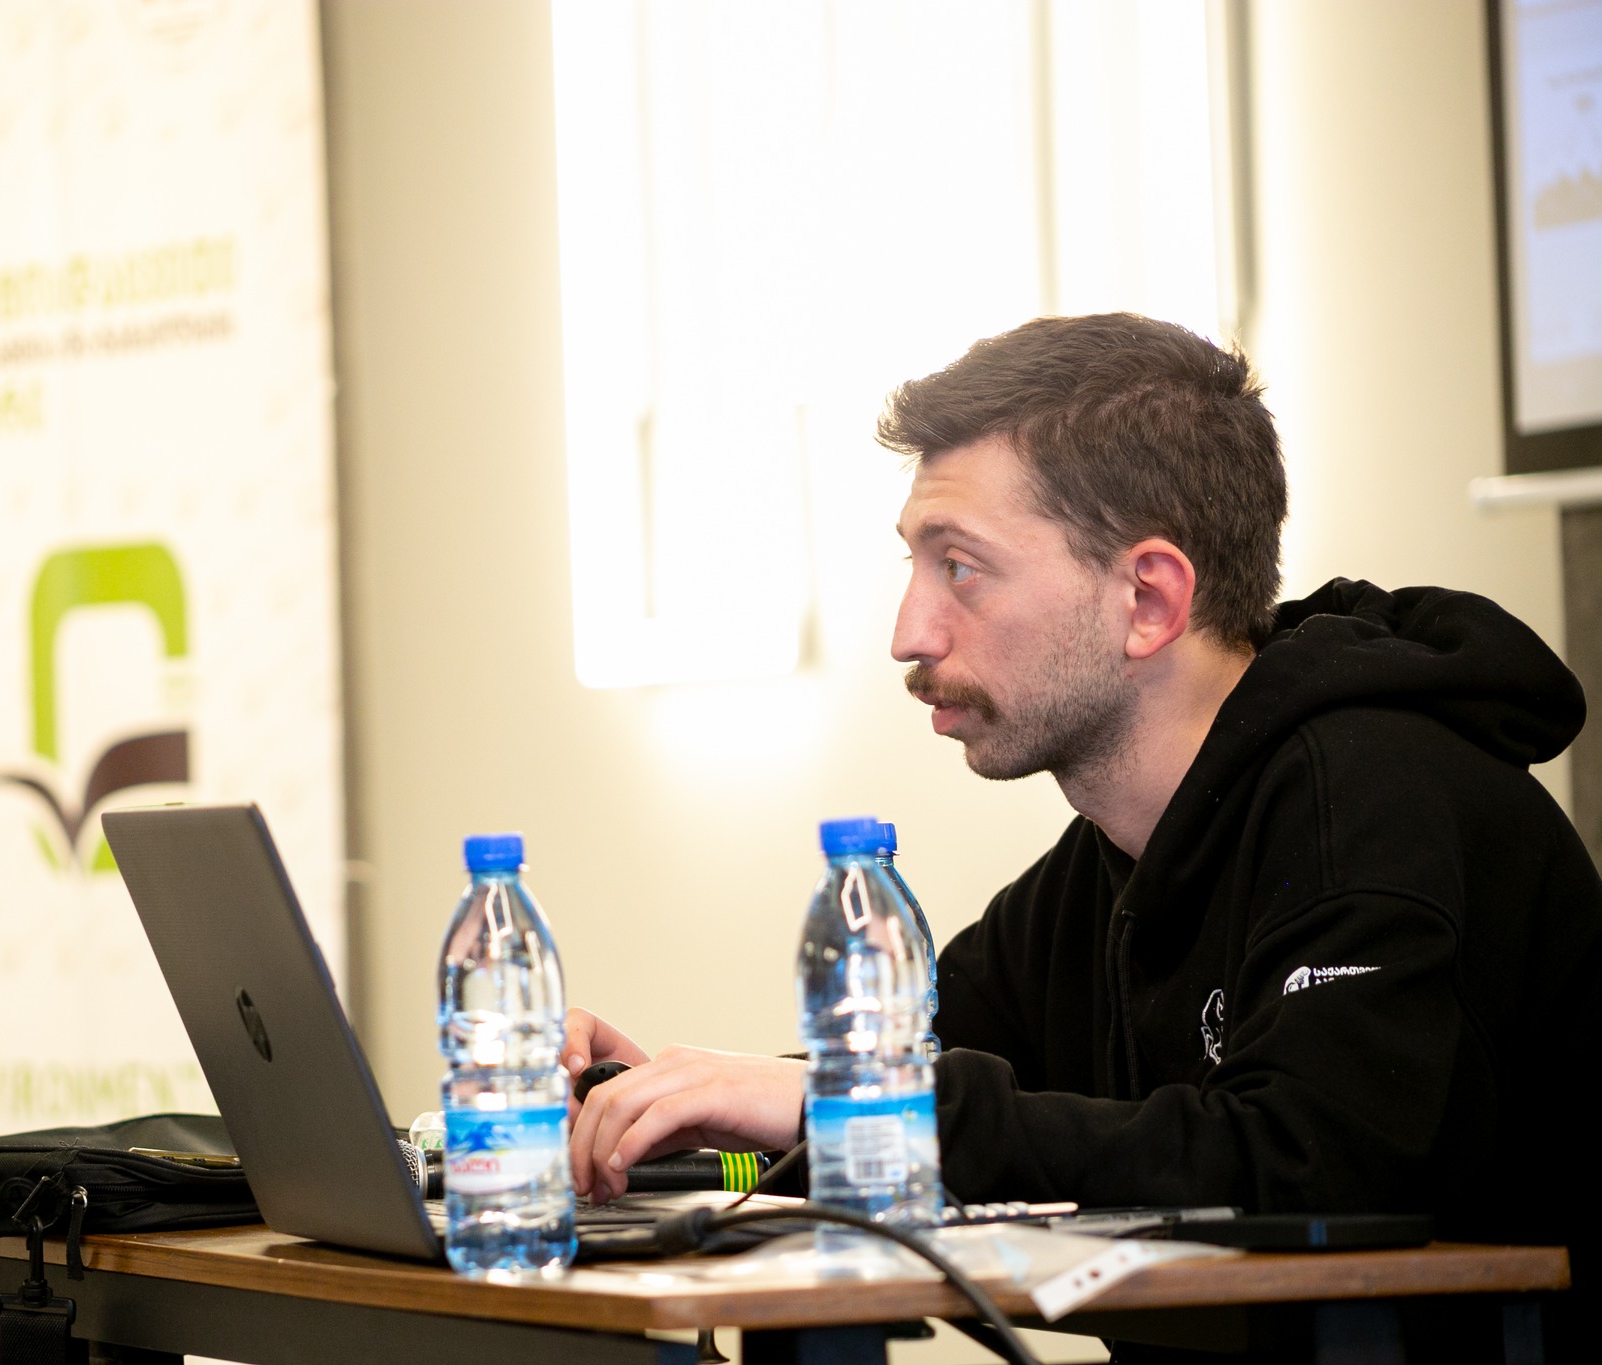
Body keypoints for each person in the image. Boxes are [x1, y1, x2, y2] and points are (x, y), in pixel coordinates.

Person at [564, 313, 1598, 1343]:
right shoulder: (1106, 864)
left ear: (1146, 598)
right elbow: (919, 1081)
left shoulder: (1370, 799)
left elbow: (1305, 1165)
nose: (908, 634)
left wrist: (832, 1101)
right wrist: (668, 1108)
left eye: (959, 567)